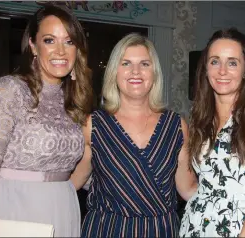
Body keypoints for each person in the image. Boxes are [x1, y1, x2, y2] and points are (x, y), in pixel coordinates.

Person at [0, 4, 93, 237]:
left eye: (69, 41)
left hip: (64, 209)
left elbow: (84, 170)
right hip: (17, 210)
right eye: (50, 40)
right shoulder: (9, 91)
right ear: (33, 45)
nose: (61, 51)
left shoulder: (74, 101)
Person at [70, 33, 198, 237]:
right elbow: (70, 184)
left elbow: (188, 188)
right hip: (107, 230)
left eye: (145, 64)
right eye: (126, 63)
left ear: (154, 72)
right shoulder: (93, 125)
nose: (136, 71)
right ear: (114, 72)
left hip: (160, 231)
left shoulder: (176, 126)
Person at [179, 28, 245, 237]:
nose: (222, 71)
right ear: (205, 68)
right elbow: (200, 184)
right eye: (215, 61)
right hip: (197, 227)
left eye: (232, 62)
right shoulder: (200, 117)